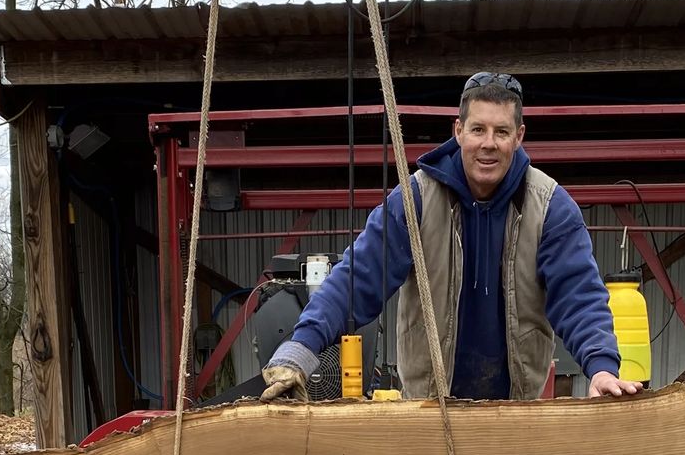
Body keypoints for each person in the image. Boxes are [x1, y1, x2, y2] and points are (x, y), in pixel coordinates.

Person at [259, 72, 641, 404]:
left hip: (515, 412)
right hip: (430, 410)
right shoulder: (415, 201)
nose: (488, 143)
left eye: (501, 132)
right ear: (458, 131)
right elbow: (356, 279)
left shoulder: (550, 207)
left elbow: (579, 297)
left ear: (519, 136)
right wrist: (300, 349)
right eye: (478, 129)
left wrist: (601, 368)